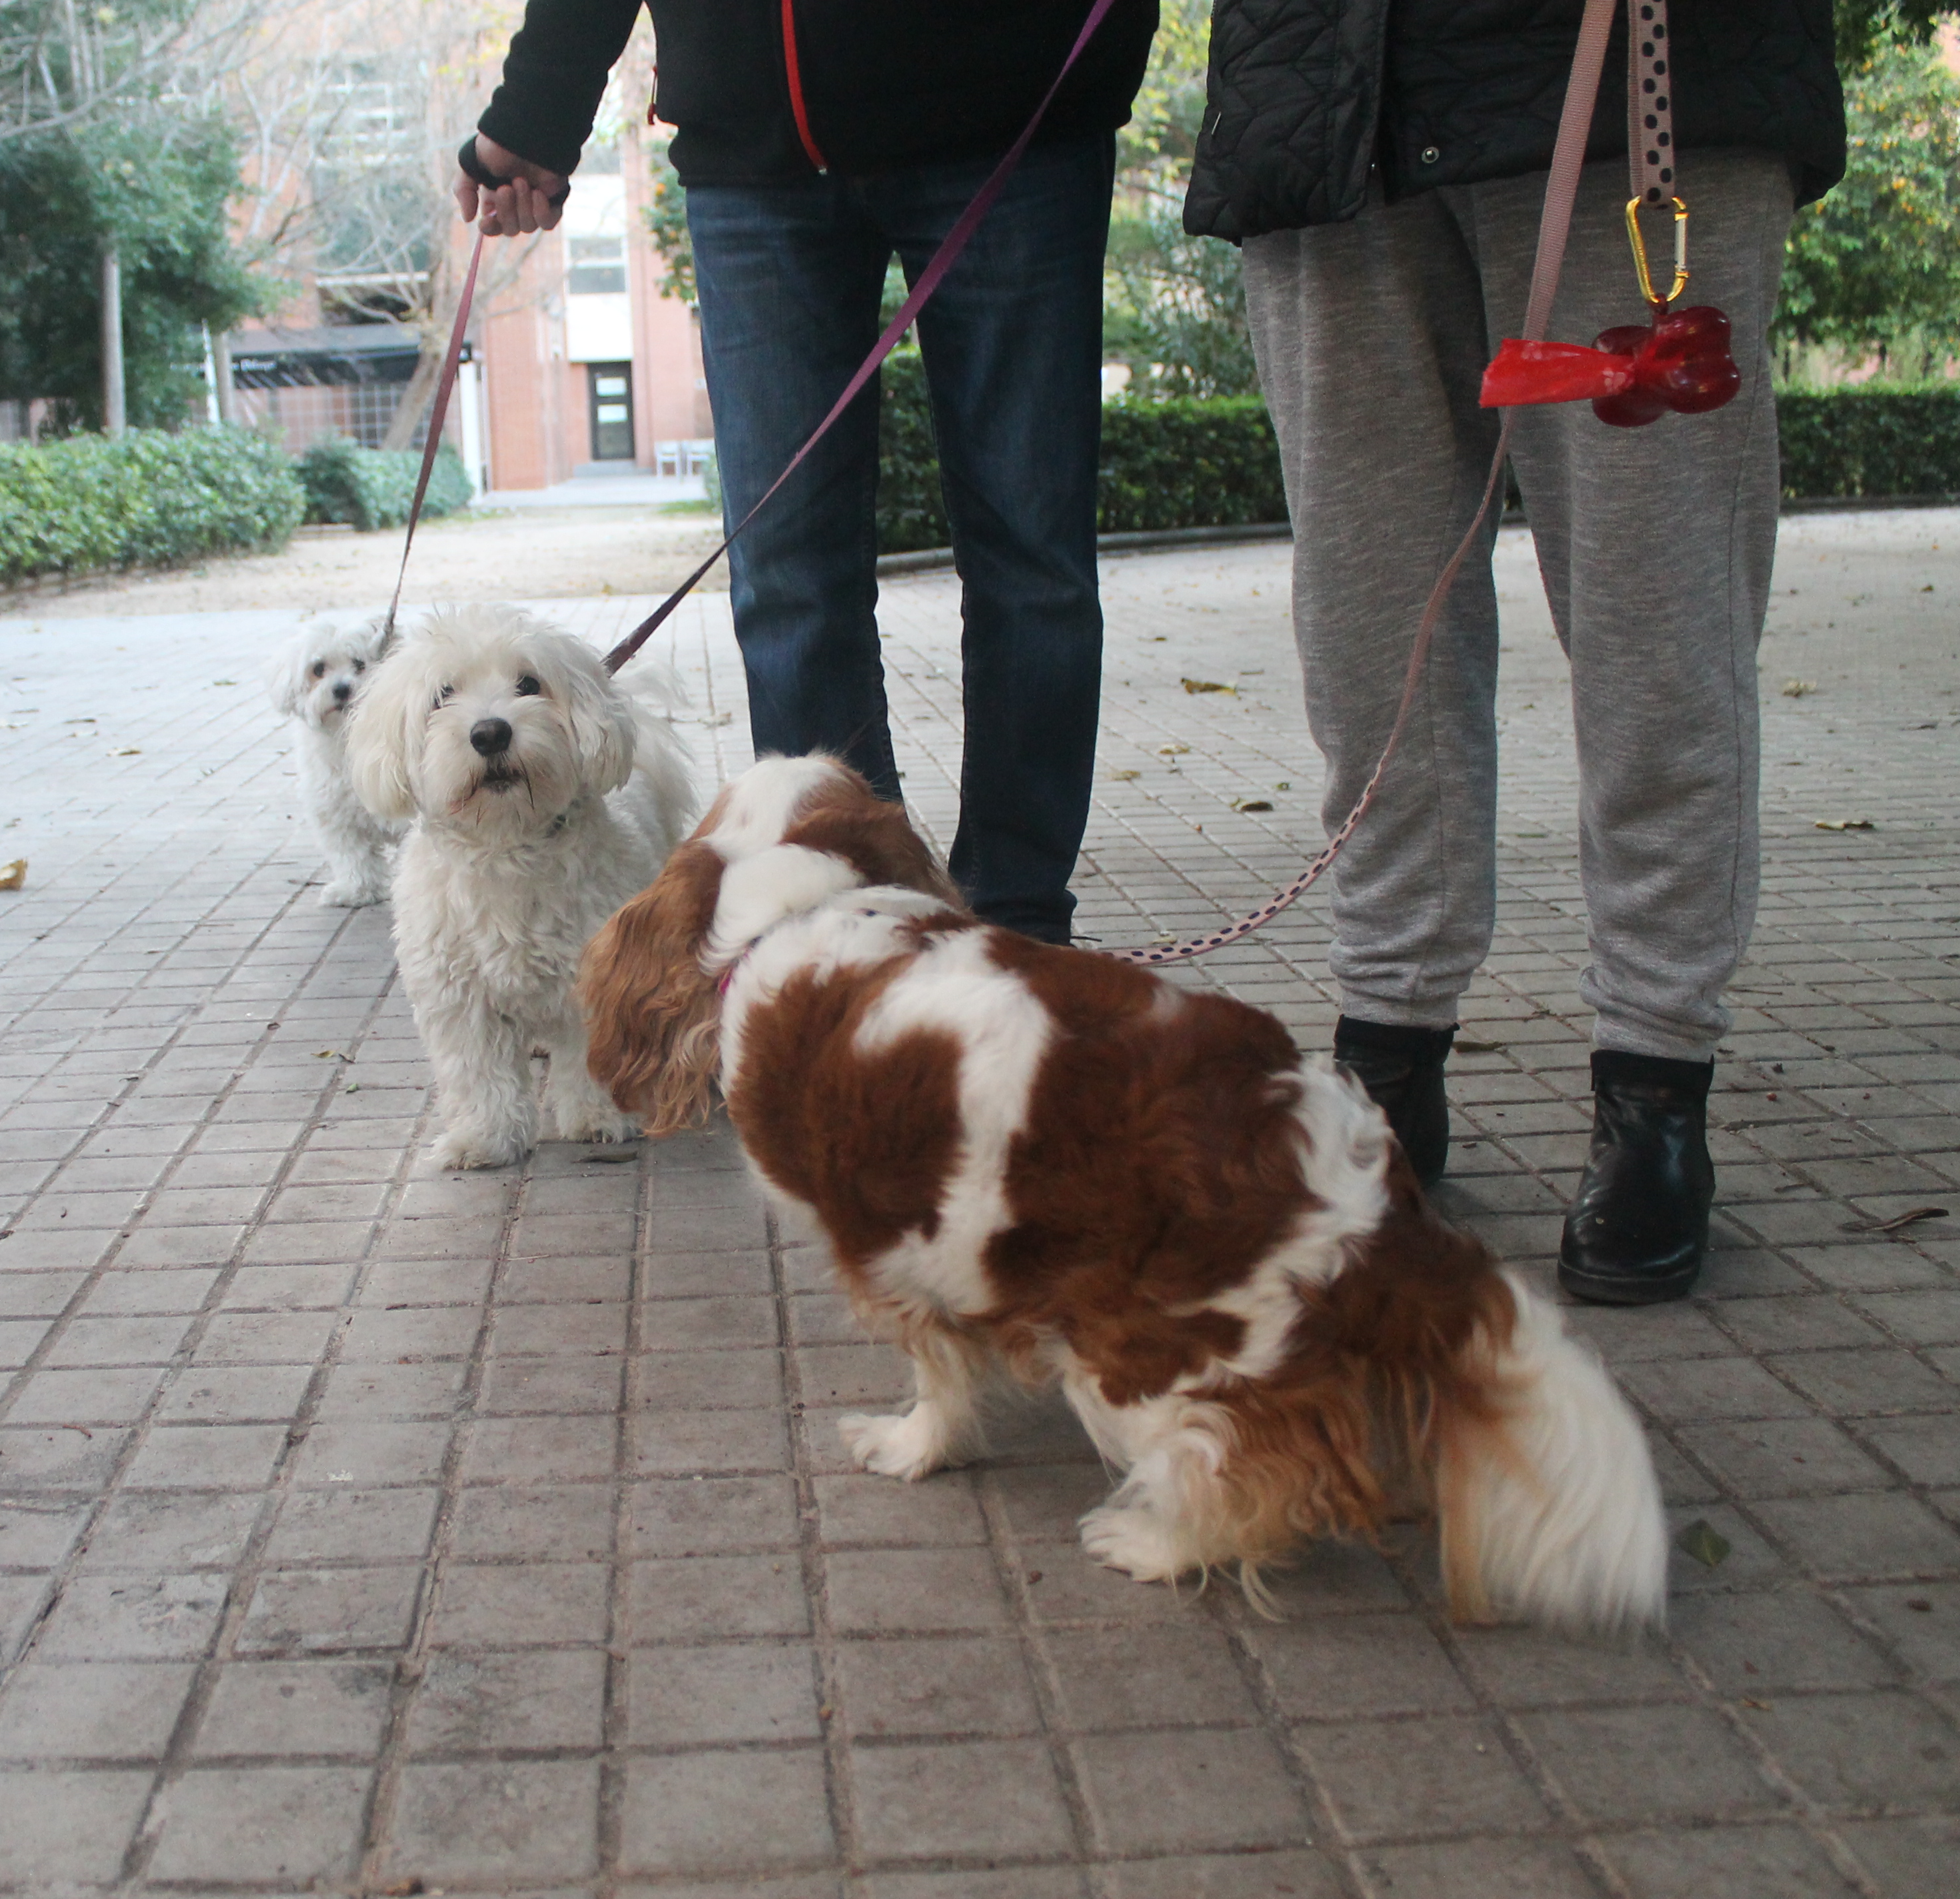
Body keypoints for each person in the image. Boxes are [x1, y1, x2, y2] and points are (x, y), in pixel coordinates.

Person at [1183, 1, 1845, 1303]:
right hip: (1324, 111)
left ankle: (1656, 1081)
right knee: (1373, 638)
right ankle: (1388, 1055)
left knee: (1662, 632)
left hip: (1635, 96)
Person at [458, 0, 1156, 944]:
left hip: (1019, 109)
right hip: (756, 137)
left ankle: (1020, 926)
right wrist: (539, 110)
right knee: (787, 579)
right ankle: (849, 920)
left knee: (1035, 562)